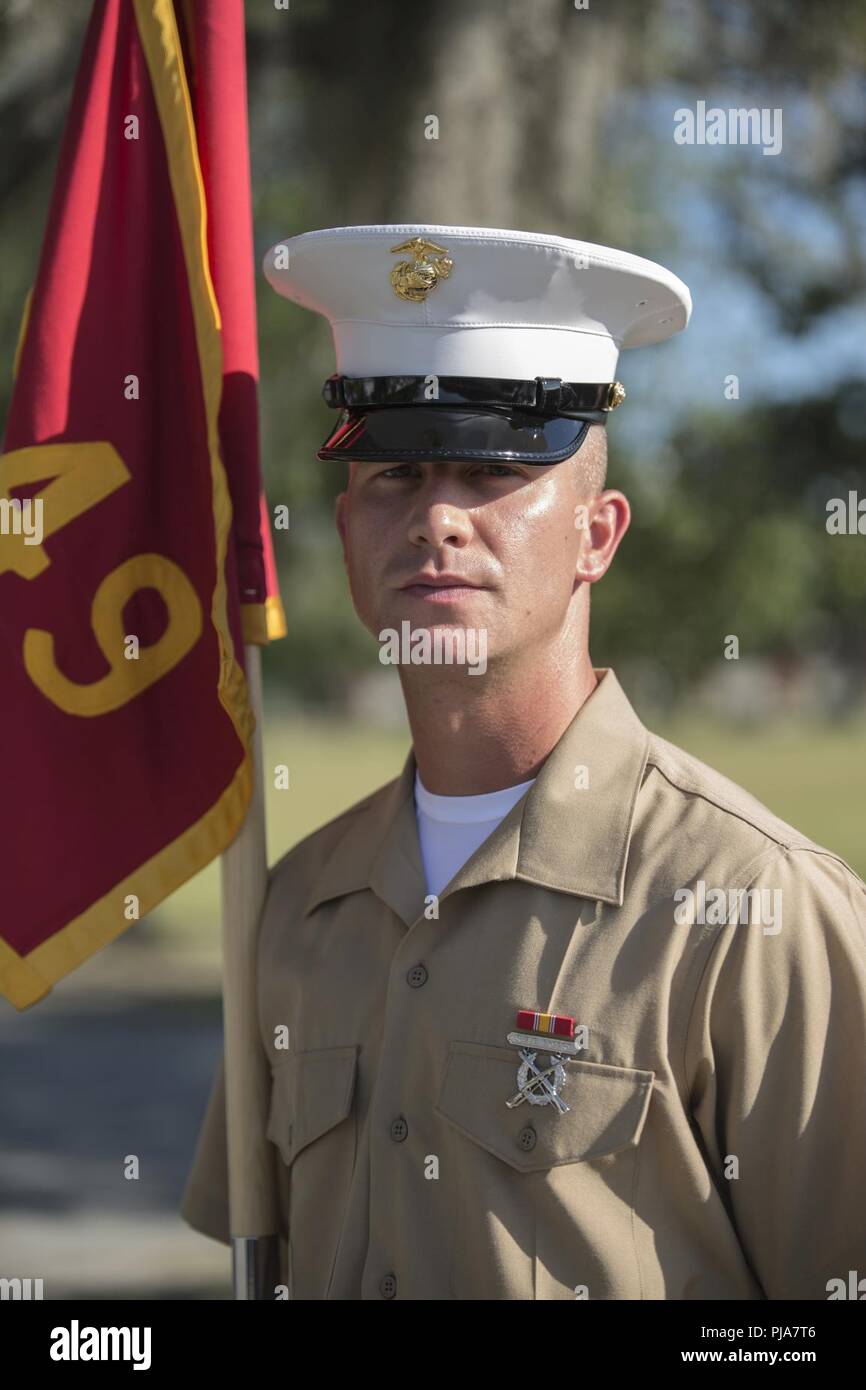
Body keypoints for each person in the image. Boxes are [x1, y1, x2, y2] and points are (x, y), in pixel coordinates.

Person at [180, 224, 866, 1300]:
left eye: (495, 470)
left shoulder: (752, 907)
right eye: (397, 473)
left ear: (597, 532)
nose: (439, 518)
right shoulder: (295, 901)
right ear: (349, 529)